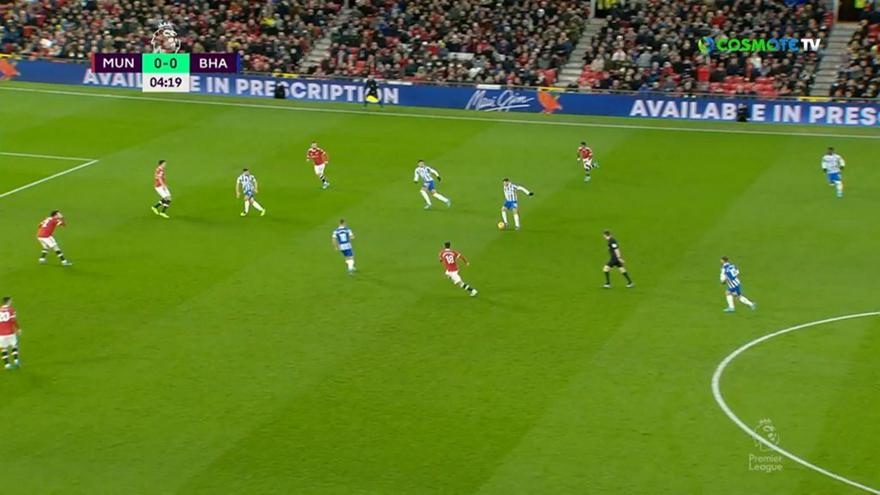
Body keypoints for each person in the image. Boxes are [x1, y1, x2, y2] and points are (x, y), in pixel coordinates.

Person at [0, 297, 21, 370]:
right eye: (11, 301)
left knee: (3, 349)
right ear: (8, 301)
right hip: (10, 332)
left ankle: (7, 365)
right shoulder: (11, 310)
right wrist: (18, 328)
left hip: (1, 334)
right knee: (14, 345)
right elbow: (13, 320)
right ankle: (16, 360)